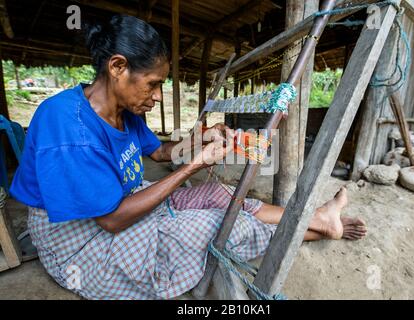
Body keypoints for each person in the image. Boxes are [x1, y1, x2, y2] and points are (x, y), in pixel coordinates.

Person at [10, 15, 366, 300]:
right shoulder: (68, 127)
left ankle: (316, 218)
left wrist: (199, 140)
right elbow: (113, 220)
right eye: (152, 84)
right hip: (81, 241)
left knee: (219, 196)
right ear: (118, 67)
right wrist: (194, 165)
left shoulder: (124, 111)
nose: (158, 97)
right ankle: (320, 227)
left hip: (121, 201)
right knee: (221, 225)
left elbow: (161, 151)